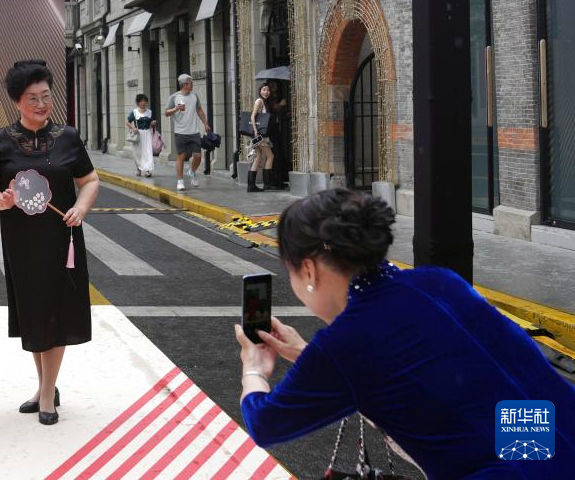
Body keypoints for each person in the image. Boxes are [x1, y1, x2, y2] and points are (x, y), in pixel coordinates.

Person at [234, 189, 575, 479]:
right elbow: (476, 387)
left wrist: (254, 369)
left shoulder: (344, 344)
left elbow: (265, 424)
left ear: (308, 269)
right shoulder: (438, 281)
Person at [0, 60, 100, 426]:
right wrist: (1, 201)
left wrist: (80, 207)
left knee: (56, 310)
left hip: (61, 239)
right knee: (34, 311)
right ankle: (46, 386)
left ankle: (46, 394)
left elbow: (89, 180)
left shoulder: (68, 137)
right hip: (22, 241)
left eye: (46, 96)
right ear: (17, 100)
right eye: (32, 98)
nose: (41, 104)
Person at [165, 73, 210, 192]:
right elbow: (166, 113)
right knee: (181, 156)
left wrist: (205, 123)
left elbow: (199, 110)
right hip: (180, 132)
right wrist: (176, 109)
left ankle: (192, 172)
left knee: (198, 156)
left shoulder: (194, 96)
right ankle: (180, 181)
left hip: (194, 132)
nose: (192, 85)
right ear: (184, 84)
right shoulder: (174, 97)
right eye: (190, 83)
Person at [246, 83, 278, 193]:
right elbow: (252, 116)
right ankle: (267, 184)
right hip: (259, 135)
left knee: (258, 157)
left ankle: (251, 186)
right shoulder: (259, 101)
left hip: (258, 135)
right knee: (270, 156)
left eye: (268, 90)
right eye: (264, 90)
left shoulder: (264, 102)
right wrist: (256, 131)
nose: (266, 92)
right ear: (260, 91)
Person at [126, 93, 155, 177]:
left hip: (147, 133)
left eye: (144, 101)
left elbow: (152, 122)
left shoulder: (149, 112)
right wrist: (133, 128)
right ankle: (139, 168)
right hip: (138, 134)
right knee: (138, 153)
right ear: (138, 103)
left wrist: (153, 123)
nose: (143, 103)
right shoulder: (134, 112)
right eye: (141, 101)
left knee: (148, 152)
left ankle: (148, 170)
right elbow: (127, 122)